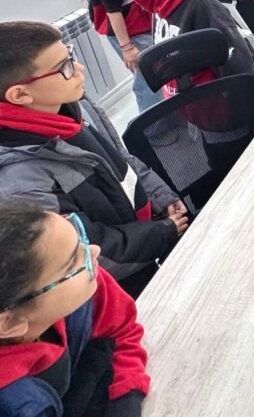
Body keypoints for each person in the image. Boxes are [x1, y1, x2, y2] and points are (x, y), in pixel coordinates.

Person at [0, 21, 188, 296]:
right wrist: (162, 233)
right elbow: (82, 254)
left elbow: (121, 161)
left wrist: (161, 197)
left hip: (147, 237)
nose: (79, 69)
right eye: (64, 68)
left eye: (71, 56)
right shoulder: (18, 183)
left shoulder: (76, 106)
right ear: (20, 94)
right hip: (120, 287)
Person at [0, 203, 152, 415]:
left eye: (80, 239)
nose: (94, 251)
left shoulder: (77, 290)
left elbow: (122, 329)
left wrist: (125, 398)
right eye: (71, 264)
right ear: (10, 323)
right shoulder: (17, 404)